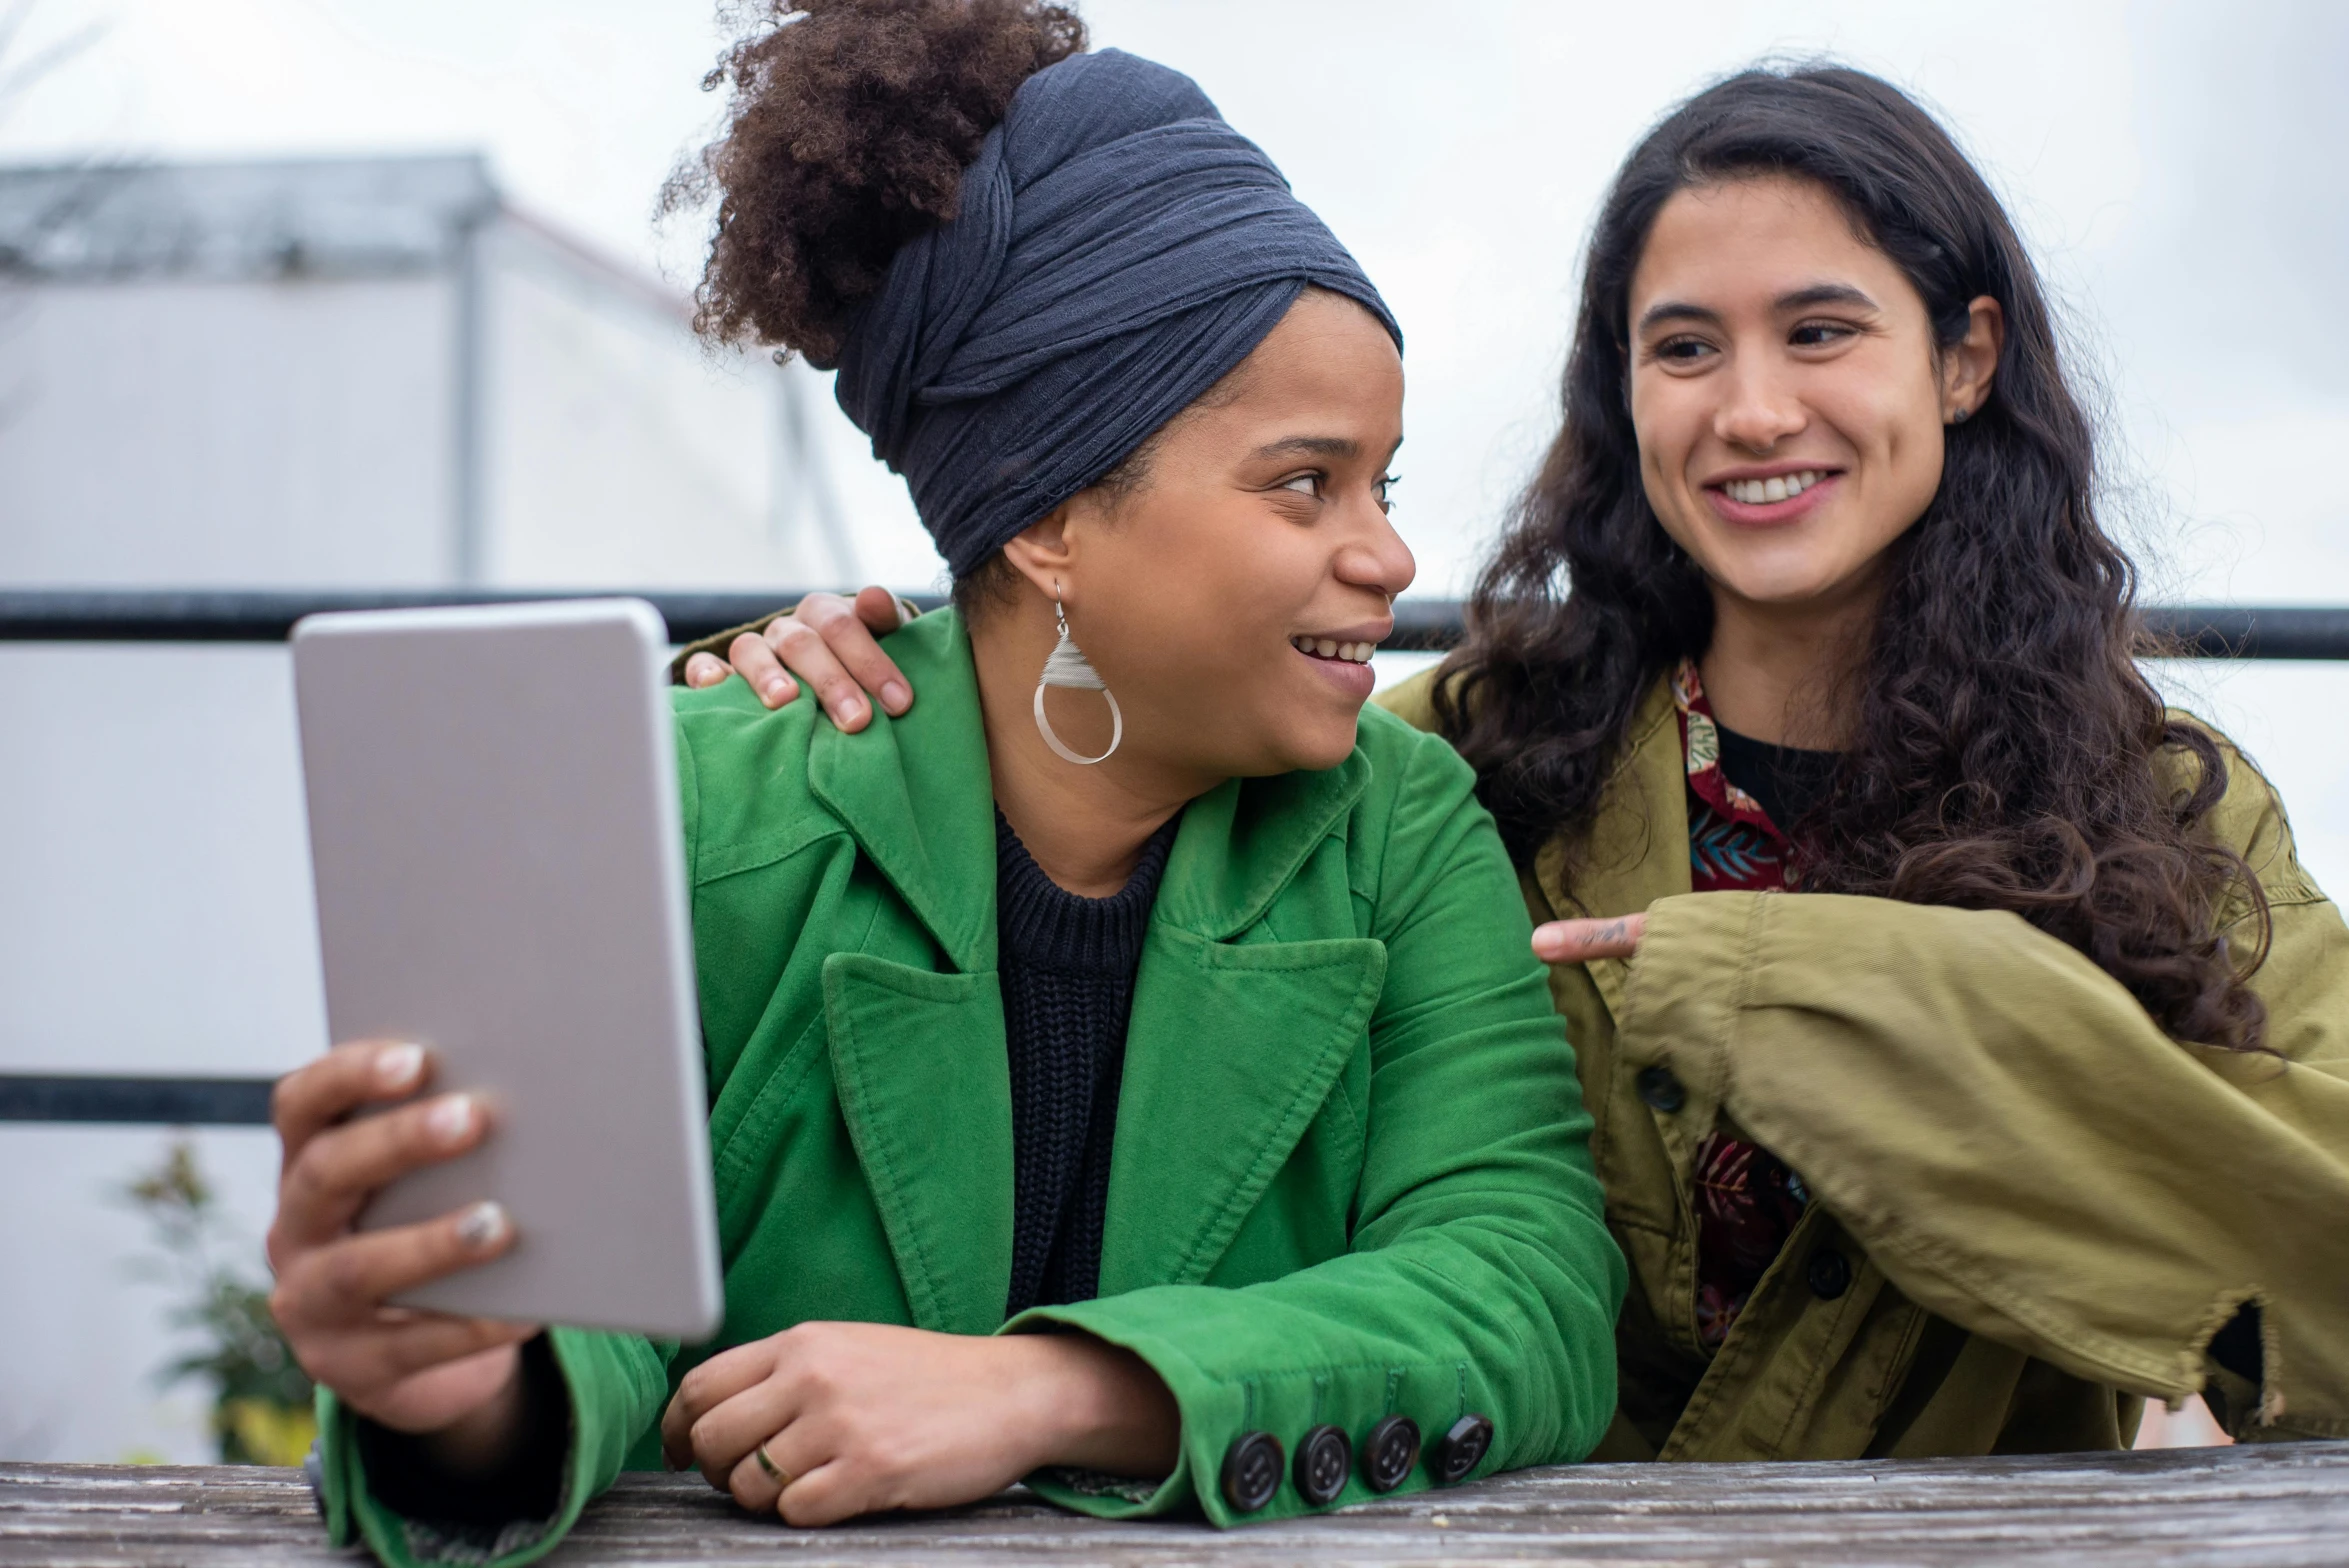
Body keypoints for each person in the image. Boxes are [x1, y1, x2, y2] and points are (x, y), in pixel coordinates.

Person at [691, 63, 2349, 1459]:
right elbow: (1123, 656)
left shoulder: (2160, 803)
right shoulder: (1458, 765)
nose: (1753, 409)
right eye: (1685, 348)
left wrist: (1871, 1000)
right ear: (1621, 394)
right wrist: (855, 672)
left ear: (1965, 358)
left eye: (1824, 331)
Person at [263, 6, 1624, 1565]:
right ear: (1050, 519)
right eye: (1305, 481)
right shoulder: (701, 805)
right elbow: (572, 1313)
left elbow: (1525, 1290)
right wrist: (456, 1386)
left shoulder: (1402, 825)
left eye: (1385, 481)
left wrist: (1049, 1394)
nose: (1388, 555)